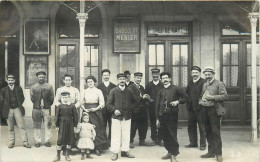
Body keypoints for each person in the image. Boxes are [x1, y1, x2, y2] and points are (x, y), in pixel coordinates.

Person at [155, 72, 187, 162]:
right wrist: (157, 118)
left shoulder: (176, 88)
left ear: (170, 79)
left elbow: (186, 98)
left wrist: (177, 102)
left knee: (172, 135)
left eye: (166, 78)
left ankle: (174, 154)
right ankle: (169, 152)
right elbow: (157, 105)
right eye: (163, 78)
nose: (165, 79)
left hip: (172, 115)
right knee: (164, 135)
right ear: (161, 80)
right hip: (162, 116)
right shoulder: (160, 91)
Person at [199, 66, 228, 162]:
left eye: (209, 74)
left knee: (215, 132)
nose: (207, 76)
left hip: (214, 111)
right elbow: (202, 95)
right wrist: (201, 100)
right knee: (207, 131)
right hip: (205, 110)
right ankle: (211, 152)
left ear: (213, 74)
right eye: (206, 74)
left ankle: (218, 154)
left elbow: (225, 96)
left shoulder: (219, 84)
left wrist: (212, 97)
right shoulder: (204, 84)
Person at [107, 73, 137, 161]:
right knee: (116, 135)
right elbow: (108, 104)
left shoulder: (129, 91)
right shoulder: (113, 91)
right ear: (117, 80)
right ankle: (115, 152)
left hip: (127, 117)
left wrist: (130, 110)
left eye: (124, 79)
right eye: (120, 79)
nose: (122, 81)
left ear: (126, 80)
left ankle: (125, 151)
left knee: (126, 135)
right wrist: (114, 110)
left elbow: (135, 101)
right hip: (116, 118)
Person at [0, 74, 31, 148]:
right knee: (10, 127)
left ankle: (25, 142)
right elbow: (1, 100)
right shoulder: (3, 90)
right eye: (9, 80)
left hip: (17, 108)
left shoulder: (18, 88)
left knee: (21, 126)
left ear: (14, 80)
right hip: (8, 109)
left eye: (12, 80)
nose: (10, 81)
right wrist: (5, 107)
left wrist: (18, 105)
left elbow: (22, 98)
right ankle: (11, 142)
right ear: (7, 81)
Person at [81, 75, 107, 156]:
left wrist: (96, 109)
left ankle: (97, 148)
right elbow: (81, 103)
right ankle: (86, 147)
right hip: (87, 111)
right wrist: (84, 109)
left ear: (94, 82)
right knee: (86, 129)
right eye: (88, 82)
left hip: (96, 112)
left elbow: (102, 103)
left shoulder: (98, 91)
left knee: (97, 129)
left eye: (91, 81)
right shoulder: (84, 91)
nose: (90, 83)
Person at [30, 71, 54, 147]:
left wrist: (47, 105)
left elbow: (52, 97)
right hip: (36, 109)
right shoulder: (33, 87)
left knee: (48, 125)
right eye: (40, 77)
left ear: (45, 77)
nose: (41, 78)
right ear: (37, 78)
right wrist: (37, 104)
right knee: (36, 125)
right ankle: (37, 141)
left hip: (46, 108)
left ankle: (47, 141)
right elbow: (32, 98)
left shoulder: (49, 86)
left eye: (43, 77)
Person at [185, 66, 207, 150]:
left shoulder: (203, 82)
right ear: (191, 74)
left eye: (196, 73)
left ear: (199, 73)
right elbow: (187, 93)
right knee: (191, 126)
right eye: (193, 73)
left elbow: (205, 94)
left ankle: (203, 144)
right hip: (191, 108)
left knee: (202, 126)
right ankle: (193, 142)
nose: (194, 74)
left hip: (200, 108)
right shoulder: (190, 82)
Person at [53, 91, 78, 162]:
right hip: (62, 124)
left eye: (66, 97)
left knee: (69, 139)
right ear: (61, 98)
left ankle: (67, 155)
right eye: (63, 97)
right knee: (60, 139)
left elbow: (75, 116)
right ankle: (58, 156)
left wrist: (75, 125)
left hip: (70, 124)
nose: (64, 99)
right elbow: (57, 116)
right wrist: (57, 125)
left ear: (69, 98)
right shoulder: (60, 106)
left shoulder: (72, 106)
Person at [129, 72, 150, 148]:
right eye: (137, 78)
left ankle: (142, 140)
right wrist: (142, 97)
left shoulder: (141, 87)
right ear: (134, 78)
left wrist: (147, 97)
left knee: (143, 126)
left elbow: (143, 97)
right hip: (134, 110)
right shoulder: (130, 87)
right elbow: (132, 98)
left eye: (140, 78)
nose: (139, 79)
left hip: (142, 110)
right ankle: (130, 141)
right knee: (133, 126)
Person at [145, 68, 164, 146]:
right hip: (152, 107)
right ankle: (154, 139)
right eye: (154, 74)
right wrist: (149, 99)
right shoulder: (149, 85)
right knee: (153, 123)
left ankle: (160, 139)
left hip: (161, 107)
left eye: (156, 74)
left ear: (159, 75)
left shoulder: (162, 84)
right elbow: (145, 95)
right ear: (152, 75)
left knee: (161, 122)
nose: (155, 75)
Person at [97, 69, 116, 146]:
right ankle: (103, 142)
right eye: (104, 75)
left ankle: (111, 141)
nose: (106, 76)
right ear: (102, 76)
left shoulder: (114, 86)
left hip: (111, 109)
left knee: (112, 125)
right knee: (103, 125)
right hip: (103, 110)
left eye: (107, 75)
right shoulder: (99, 87)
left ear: (109, 76)